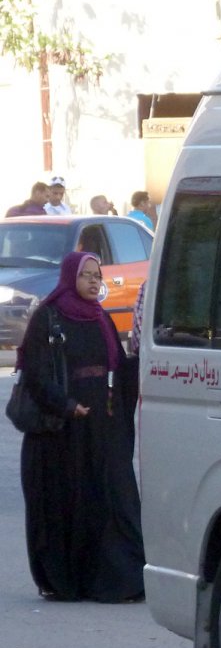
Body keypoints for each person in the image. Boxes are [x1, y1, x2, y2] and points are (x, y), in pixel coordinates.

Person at [17, 251, 144, 603]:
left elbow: (116, 366)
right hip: (61, 434)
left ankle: (119, 580)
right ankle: (66, 581)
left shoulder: (100, 317)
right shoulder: (49, 316)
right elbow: (37, 374)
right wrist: (68, 406)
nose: (93, 281)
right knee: (66, 504)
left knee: (110, 501)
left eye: (97, 275)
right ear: (70, 276)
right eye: (86, 274)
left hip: (99, 428)